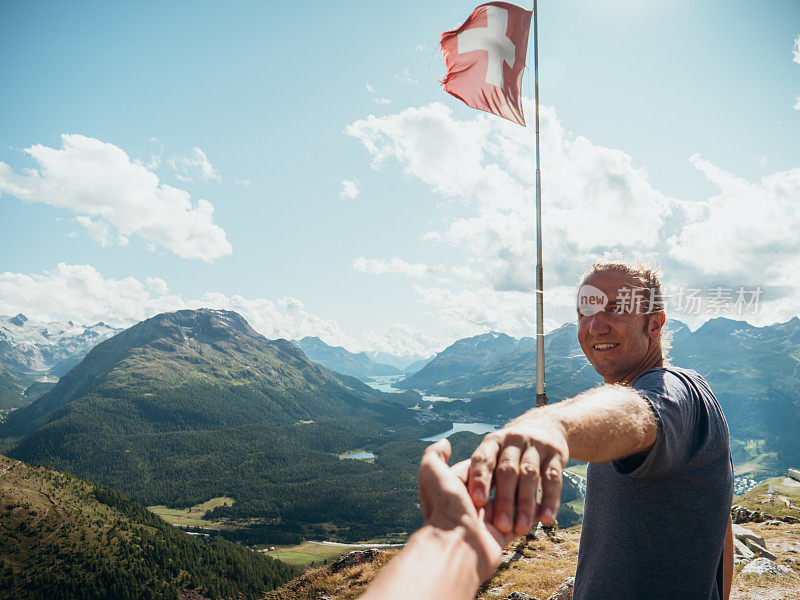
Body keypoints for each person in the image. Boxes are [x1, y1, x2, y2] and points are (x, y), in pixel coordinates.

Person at [466, 262, 734, 599]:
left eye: (616, 309)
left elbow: (639, 412)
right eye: (584, 313)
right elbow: (720, 521)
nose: (595, 326)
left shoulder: (678, 391)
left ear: (654, 323)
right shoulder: (676, 400)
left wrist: (554, 424)